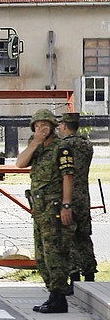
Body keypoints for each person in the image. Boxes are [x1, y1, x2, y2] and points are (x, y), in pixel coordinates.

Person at [16, 108, 75, 314]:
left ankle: (59, 298)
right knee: (42, 257)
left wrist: (67, 205)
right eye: (37, 126)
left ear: (53, 127)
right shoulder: (38, 148)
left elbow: (68, 177)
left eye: (45, 126)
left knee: (55, 253)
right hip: (40, 211)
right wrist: (34, 143)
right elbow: (19, 163)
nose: (41, 129)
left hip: (55, 208)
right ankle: (52, 295)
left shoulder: (62, 149)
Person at [59, 112, 97, 292]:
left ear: (65, 125)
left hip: (67, 197)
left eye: (61, 125)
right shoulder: (87, 146)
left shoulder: (63, 146)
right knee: (84, 237)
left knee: (69, 238)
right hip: (84, 197)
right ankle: (90, 275)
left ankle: (74, 279)